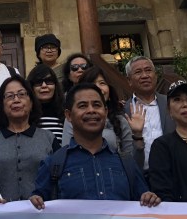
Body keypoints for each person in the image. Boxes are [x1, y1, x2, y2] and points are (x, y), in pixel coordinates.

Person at [30, 83, 159, 209]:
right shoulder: (53, 164)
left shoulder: (126, 163)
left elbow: (144, 200)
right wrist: (34, 201)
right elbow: (37, 207)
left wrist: (149, 198)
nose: (91, 110)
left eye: (96, 105)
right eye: (82, 106)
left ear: (106, 112)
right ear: (68, 115)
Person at [0, 76, 55, 201]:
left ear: (31, 101)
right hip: (0, 214)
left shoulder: (48, 138)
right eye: (9, 96)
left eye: (22, 94)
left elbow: (61, 180)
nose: (16, 100)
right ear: (2, 105)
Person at [61, 66, 145, 167]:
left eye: (102, 83)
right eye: (91, 83)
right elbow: (67, 155)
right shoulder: (74, 119)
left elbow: (133, 163)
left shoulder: (120, 120)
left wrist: (137, 134)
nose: (98, 88)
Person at [123, 56, 173, 174]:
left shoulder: (171, 104)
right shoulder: (123, 110)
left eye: (148, 70)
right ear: (129, 80)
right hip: (140, 176)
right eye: (138, 72)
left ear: (155, 75)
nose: (145, 76)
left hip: (172, 173)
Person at [27, 64, 64, 144]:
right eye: (38, 82)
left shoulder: (66, 111)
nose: (44, 86)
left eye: (49, 82)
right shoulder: (25, 114)